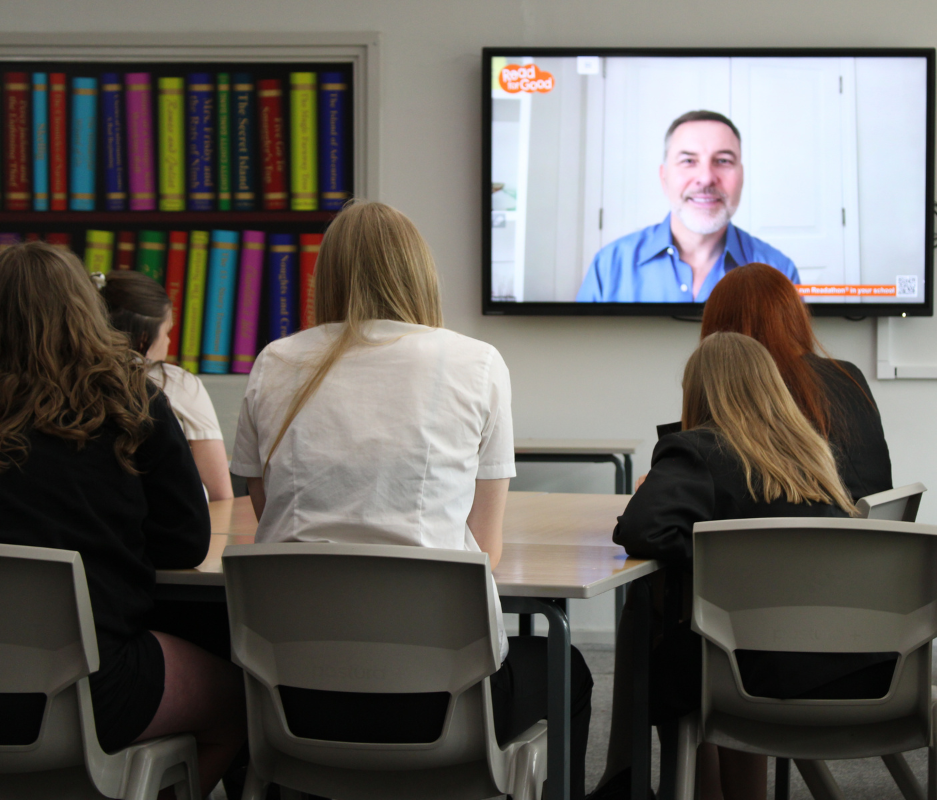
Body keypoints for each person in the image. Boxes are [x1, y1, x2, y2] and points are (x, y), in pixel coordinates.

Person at [229, 201, 593, 799]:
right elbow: (487, 552)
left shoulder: (275, 363)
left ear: (329, 277)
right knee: (564, 667)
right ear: (421, 274)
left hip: (292, 702)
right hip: (442, 707)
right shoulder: (477, 364)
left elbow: (267, 511)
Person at [0, 242, 245, 796]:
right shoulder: (133, 403)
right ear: (85, 311)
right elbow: (184, 542)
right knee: (240, 702)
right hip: (94, 685)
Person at [595, 333, 866, 800]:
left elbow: (641, 531)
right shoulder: (813, 453)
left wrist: (705, 545)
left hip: (746, 671)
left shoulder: (696, 450)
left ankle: (678, 786)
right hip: (843, 664)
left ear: (698, 393)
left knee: (663, 614)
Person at [700, 262, 892, 501]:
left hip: (809, 534)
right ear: (794, 316)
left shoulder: (743, 391)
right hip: (878, 533)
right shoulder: (848, 374)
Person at [575, 110, 801, 303]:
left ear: (741, 177)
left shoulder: (780, 271)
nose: (706, 178)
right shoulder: (609, 266)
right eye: (688, 161)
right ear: (664, 177)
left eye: (723, 160)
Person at [97, 270, 234, 500]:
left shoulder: (66, 381)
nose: (169, 342)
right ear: (144, 336)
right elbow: (221, 493)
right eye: (167, 332)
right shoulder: (179, 385)